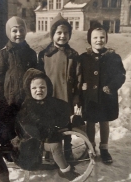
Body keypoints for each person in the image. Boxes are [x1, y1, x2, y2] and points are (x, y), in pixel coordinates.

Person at [11, 68, 79, 181]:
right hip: (32, 140)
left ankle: (60, 160)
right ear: (28, 89)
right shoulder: (28, 107)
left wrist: (69, 118)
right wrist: (49, 132)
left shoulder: (50, 102)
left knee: (58, 139)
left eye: (42, 87)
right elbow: (31, 128)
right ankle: (65, 171)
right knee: (55, 146)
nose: (39, 90)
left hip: (47, 135)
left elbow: (62, 110)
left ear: (48, 88)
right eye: (34, 88)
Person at [78, 23, 126, 164]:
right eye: (95, 38)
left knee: (104, 121)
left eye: (102, 37)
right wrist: (82, 85)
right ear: (90, 39)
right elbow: (78, 75)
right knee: (90, 122)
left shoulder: (113, 57)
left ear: (106, 38)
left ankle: (104, 149)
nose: (99, 40)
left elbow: (121, 75)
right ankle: (90, 147)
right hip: (90, 97)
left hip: (106, 97)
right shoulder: (84, 58)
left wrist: (112, 86)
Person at [38, 13, 80, 161]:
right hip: (50, 97)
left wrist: (76, 96)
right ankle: (50, 152)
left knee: (66, 126)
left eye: (65, 33)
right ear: (52, 34)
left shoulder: (73, 55)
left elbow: (78, 78)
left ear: (69, 34)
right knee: (50, 125)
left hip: (66, 97)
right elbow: (39, 77)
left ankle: (67, 151)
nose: (62, 36)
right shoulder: (44, 55)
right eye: (59, 33)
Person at [0, 16, 38, 114]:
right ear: (9, 32)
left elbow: (36, 76)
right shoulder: (3, 54)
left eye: (21, 30)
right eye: (14, 31)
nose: (19, 34)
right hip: (10, 100)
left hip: (29, 98)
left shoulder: (31, 53)